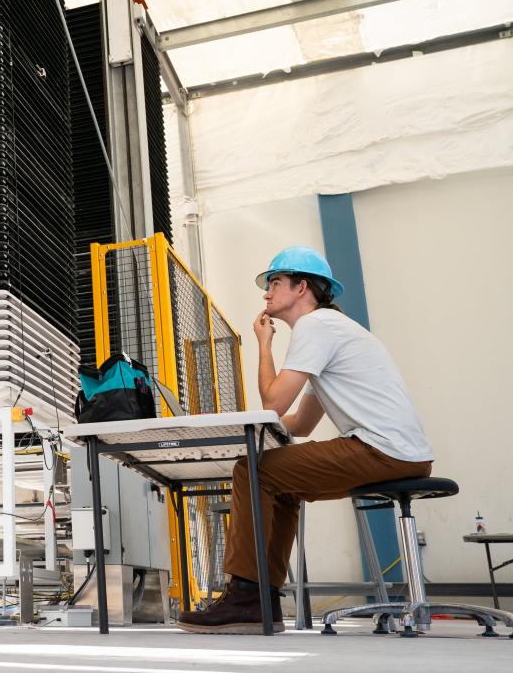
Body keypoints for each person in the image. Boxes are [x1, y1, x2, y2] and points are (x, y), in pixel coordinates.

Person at [177, 246, 433, 635]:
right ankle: (262, 600)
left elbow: (274, 403)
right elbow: (301, 423)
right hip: (401, 453)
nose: (266, 292)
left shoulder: (317, 326)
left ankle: (246, 597)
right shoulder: (329, 331)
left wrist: (263, 345)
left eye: (275, 282)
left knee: (252, 470)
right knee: (281, 486)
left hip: (383, 451)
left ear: (302, 288)